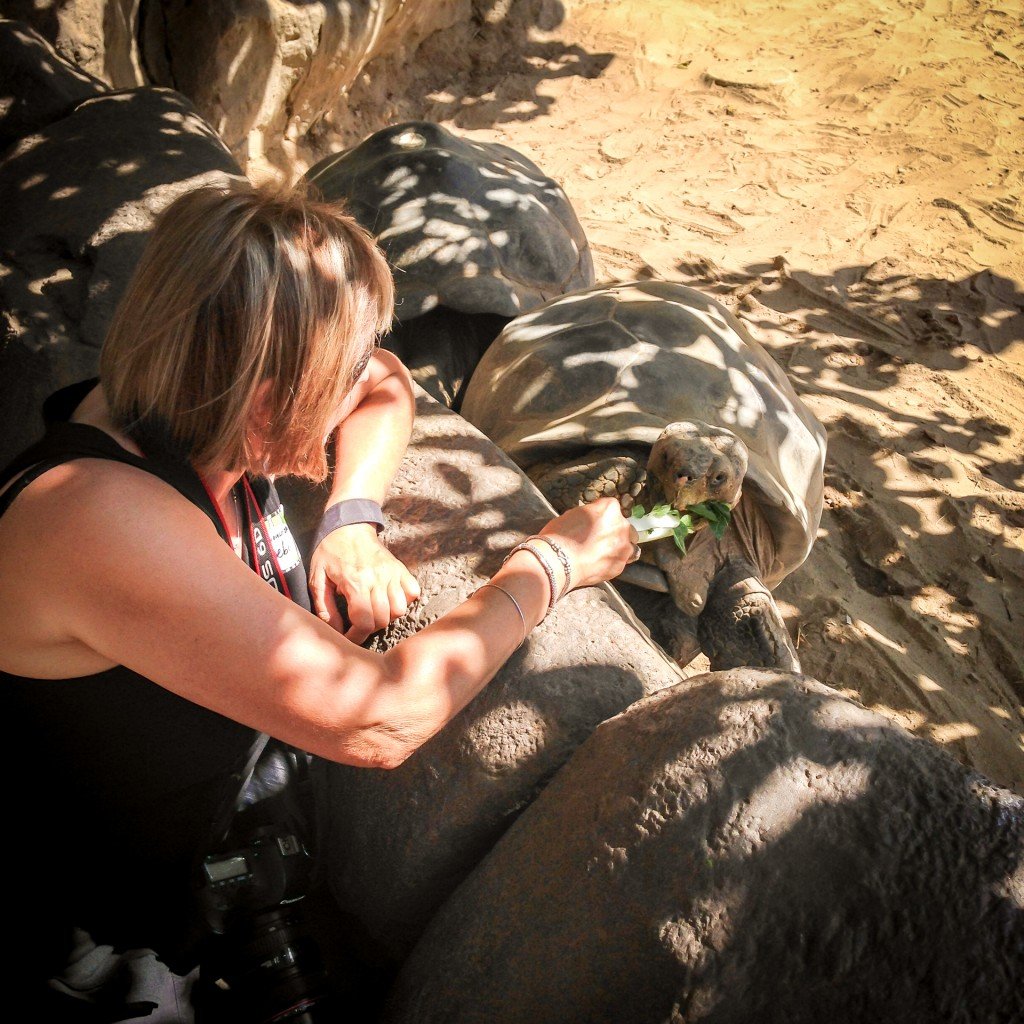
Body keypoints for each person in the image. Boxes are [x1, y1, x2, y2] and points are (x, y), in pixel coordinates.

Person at [0, 181, 640, 1018]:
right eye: (333, 367)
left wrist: (350, 522)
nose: (358, 375)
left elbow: (387, 382)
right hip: (96, 944)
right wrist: (549, 564)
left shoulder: (181, 406)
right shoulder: (95, 518)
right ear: (269, 392)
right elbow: (377, 717)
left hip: (199, 864)